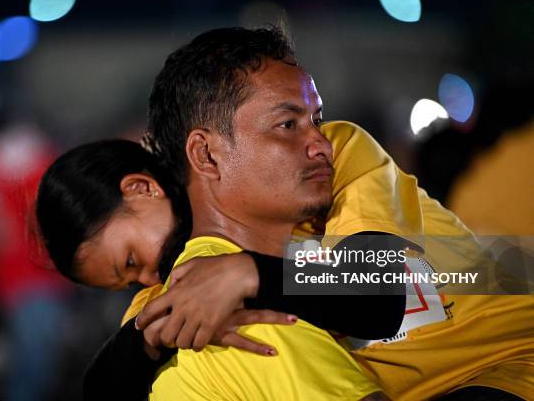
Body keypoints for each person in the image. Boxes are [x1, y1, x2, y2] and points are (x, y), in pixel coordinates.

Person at [131, 26, 532, 400]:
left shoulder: (344, 159)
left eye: (316, 119)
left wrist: (249, 272)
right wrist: (145, 339)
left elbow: (377, 298)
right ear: (206, 154)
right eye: (287, 124)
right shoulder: (198, 301)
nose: (319, 142)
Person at [36, 135, 405, 399]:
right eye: (129, 281)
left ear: (141, 188)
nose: (147, 278)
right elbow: (102, 387)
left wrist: (250, 273)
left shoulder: (327, 157)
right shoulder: (175, 288)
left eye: (131, 260)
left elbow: (378, 301)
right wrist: (151, 334)